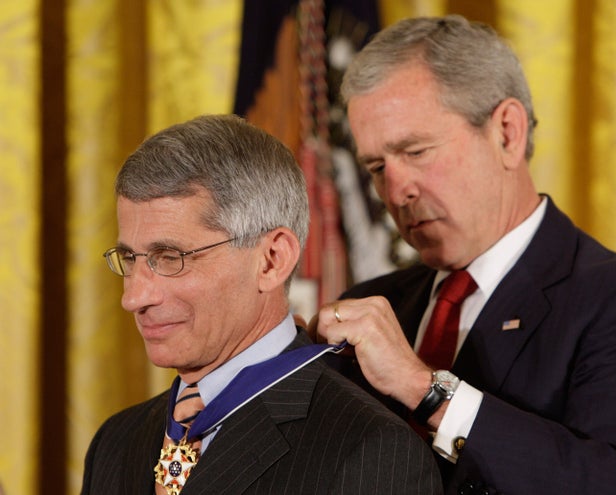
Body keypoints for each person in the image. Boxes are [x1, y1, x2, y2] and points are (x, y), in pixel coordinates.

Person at [313, 14, 616, 495]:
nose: (395, 192)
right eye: (376, 166)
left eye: (416, 152)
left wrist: (424, 389)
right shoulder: (373, 305)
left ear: (507, 132)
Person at [81, 114, 442, 495]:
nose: (133, 297)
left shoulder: (369, 450)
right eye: (130, 259)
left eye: (170, 257)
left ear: (272, 260)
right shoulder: (116, 442)